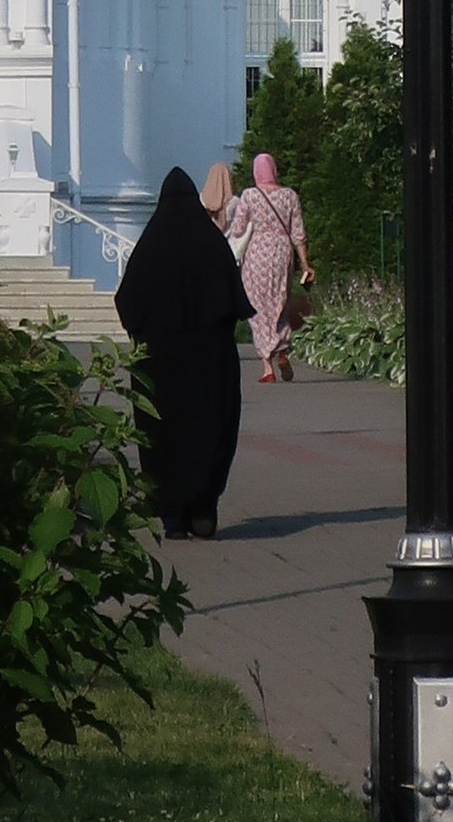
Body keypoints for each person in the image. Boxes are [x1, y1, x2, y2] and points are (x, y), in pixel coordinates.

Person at [115, 166, 253, 539]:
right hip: (211, 361)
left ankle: (173, 514)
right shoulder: (211, 244)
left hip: (160, 364)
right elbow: (233, 301)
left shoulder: (151, 247)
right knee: (211, 426)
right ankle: (203, 504)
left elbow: (128, 301)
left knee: (164, 434)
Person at [227, 150, 313, 384]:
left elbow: (236, 230)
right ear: (274, 170)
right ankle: (282, 349)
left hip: (256, 256)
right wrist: (305, 263)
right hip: (282, 254)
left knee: (257, 307)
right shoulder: (289, 196)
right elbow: (298, 234)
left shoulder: (250, 196)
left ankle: (267, 366)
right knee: (279, 303)